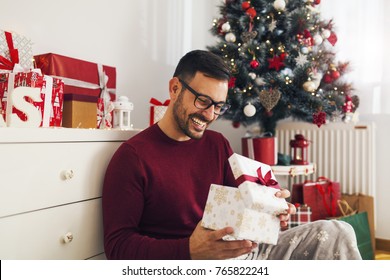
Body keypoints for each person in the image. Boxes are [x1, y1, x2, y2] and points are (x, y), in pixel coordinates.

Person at [102, 50, 361, 260]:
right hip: (190, 264)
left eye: (218, 106)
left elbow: (244, 203)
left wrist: (274, 209)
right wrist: (189, 251)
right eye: (203, 101)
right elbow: (118, 247)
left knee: (338, 230)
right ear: (174, 89)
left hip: (246, 254)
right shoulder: (133, 157)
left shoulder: (217, 144)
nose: (209, 115)